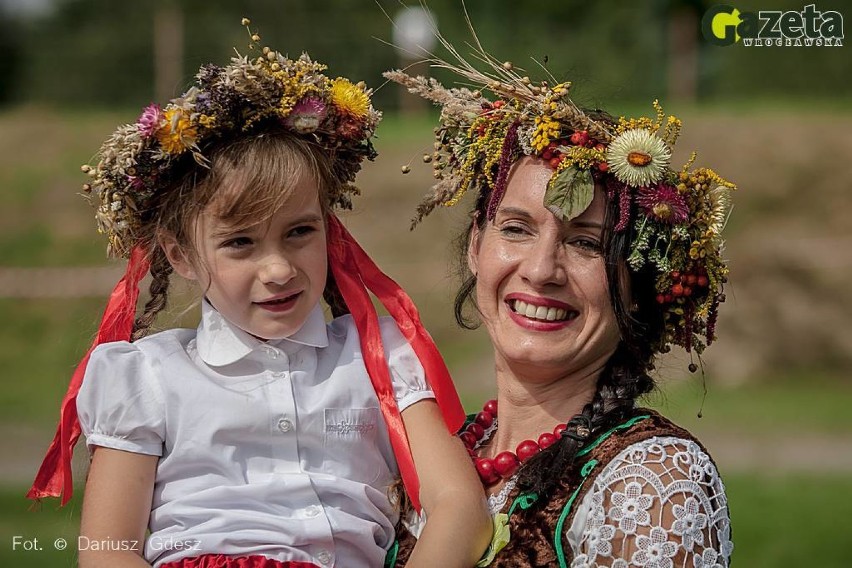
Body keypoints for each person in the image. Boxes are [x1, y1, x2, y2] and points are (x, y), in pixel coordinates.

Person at [27, 20, 491, 568]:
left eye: (299, 232)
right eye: (240, 243)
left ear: (328, 227)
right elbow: (108, 553)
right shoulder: (147, 376)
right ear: (179, 254)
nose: (277, 269)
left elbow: (459, 504)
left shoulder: (378, 356)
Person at [384, 41, 735, 567]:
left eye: (587, 243)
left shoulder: (650, 485)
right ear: (477, 246)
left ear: (637, 287)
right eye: (517, 228)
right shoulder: (430, 460)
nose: (542, 269)